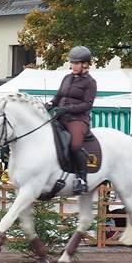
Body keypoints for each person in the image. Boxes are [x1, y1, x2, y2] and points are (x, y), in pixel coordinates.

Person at [45, 45, 97, 194]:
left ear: (85, 64)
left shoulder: (90, 82)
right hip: (61, 116)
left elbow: (88, 104)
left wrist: (68, 109)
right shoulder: (67, 78)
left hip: (78, 119)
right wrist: (50, 104)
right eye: (72, 63)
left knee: (74, 144)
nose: (73, 66)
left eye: (77, 63)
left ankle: (82, 179)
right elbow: (58, 96)